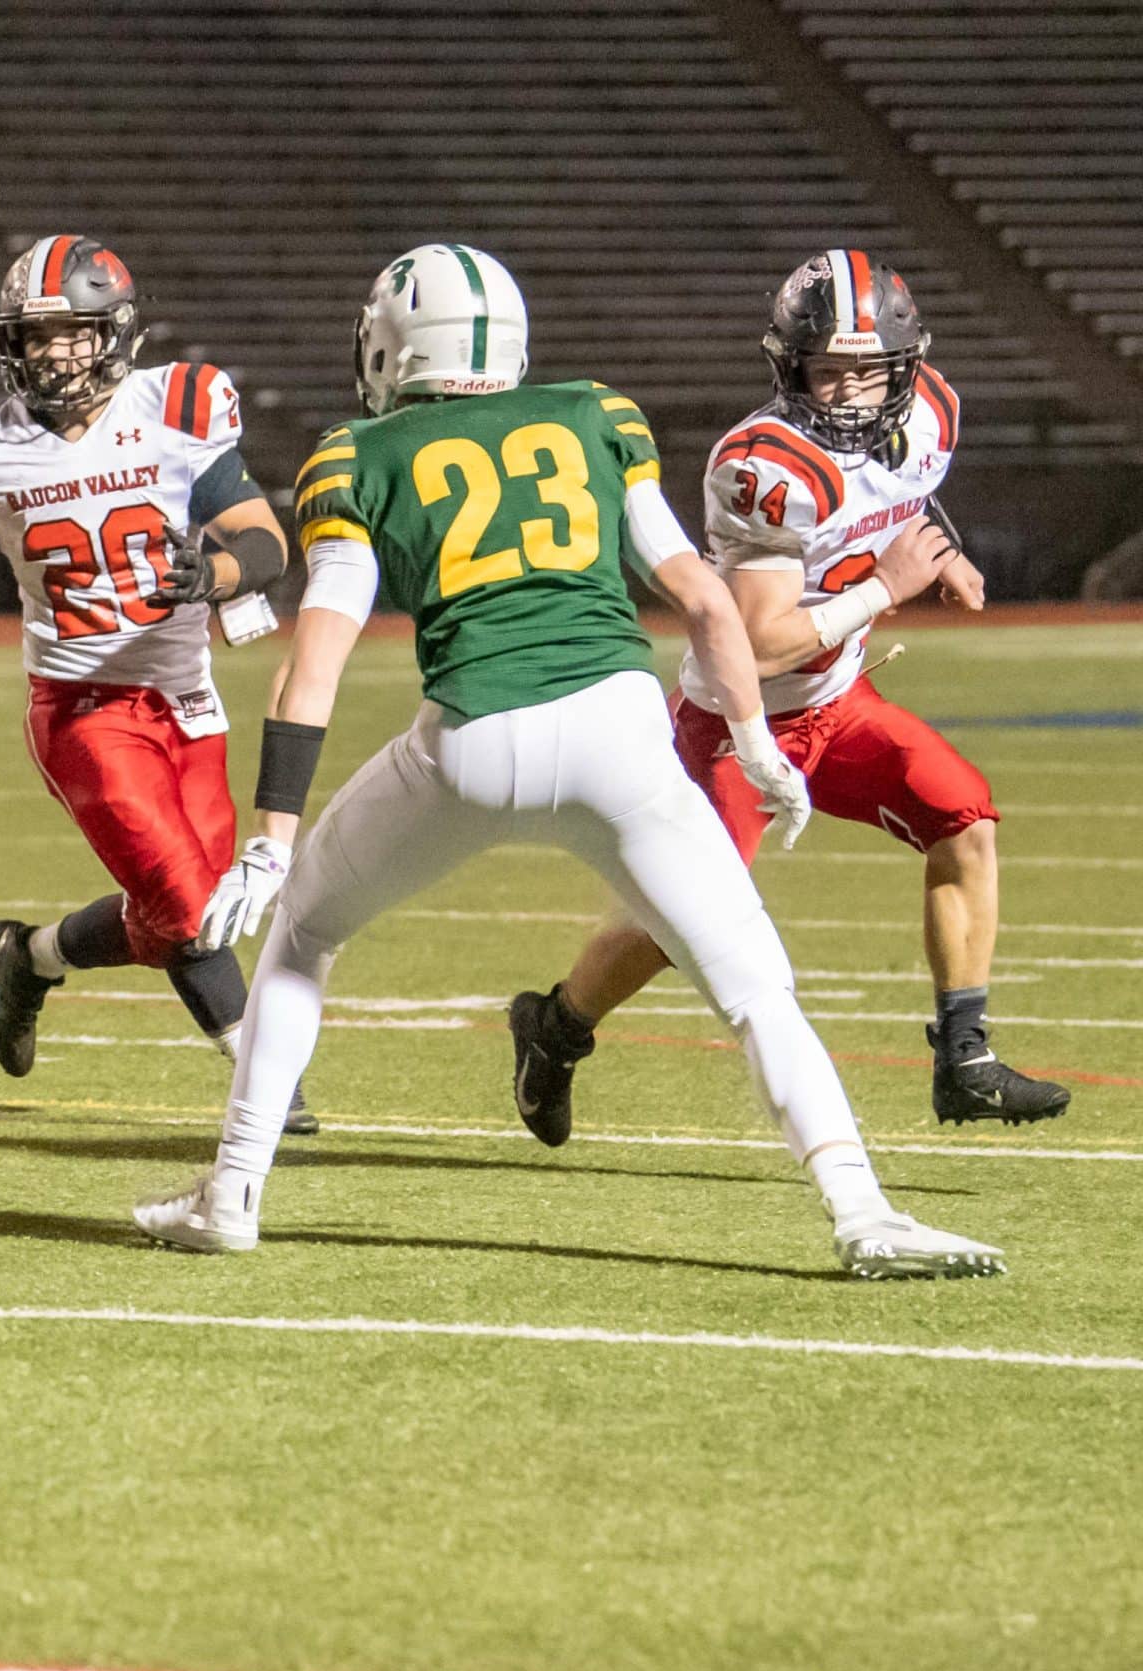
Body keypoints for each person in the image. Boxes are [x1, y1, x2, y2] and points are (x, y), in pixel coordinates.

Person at [133, 243, 1002, 1280]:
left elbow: (313, 661)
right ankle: (862, 1211)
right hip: (620, 737)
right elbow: (704, 599)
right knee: (755, 988)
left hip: (468, 746)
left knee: (304, 931)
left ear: (394, 346)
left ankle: (232, 1191)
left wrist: (273, 837)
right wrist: (755, 742)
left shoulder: (354, 457)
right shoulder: (596, 415)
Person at [507, 250, 1067, 1142]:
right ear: (790, 365)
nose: (846, 392)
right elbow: (759, 645)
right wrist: (886, 587)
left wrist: (943, 556)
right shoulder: (766, 466)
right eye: (826, 370)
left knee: (964, 817)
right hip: (737, 724)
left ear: (906, 366)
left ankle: (965, 1059)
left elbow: (903, 497)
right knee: (684, 922)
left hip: (839, 703)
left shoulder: (930, 411)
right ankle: (556, 1025)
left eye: (867, 371)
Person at [0, 234, 313, 1131]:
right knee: (187, 908)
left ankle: (29, 957)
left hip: (187, 700)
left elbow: (265, 540)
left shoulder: (178, 409)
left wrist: (219, 575)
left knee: (186, 918)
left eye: (71, 332)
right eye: (35, 336)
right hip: (80, 708)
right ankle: (266, 1085)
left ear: (114, 332)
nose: (53, 353)